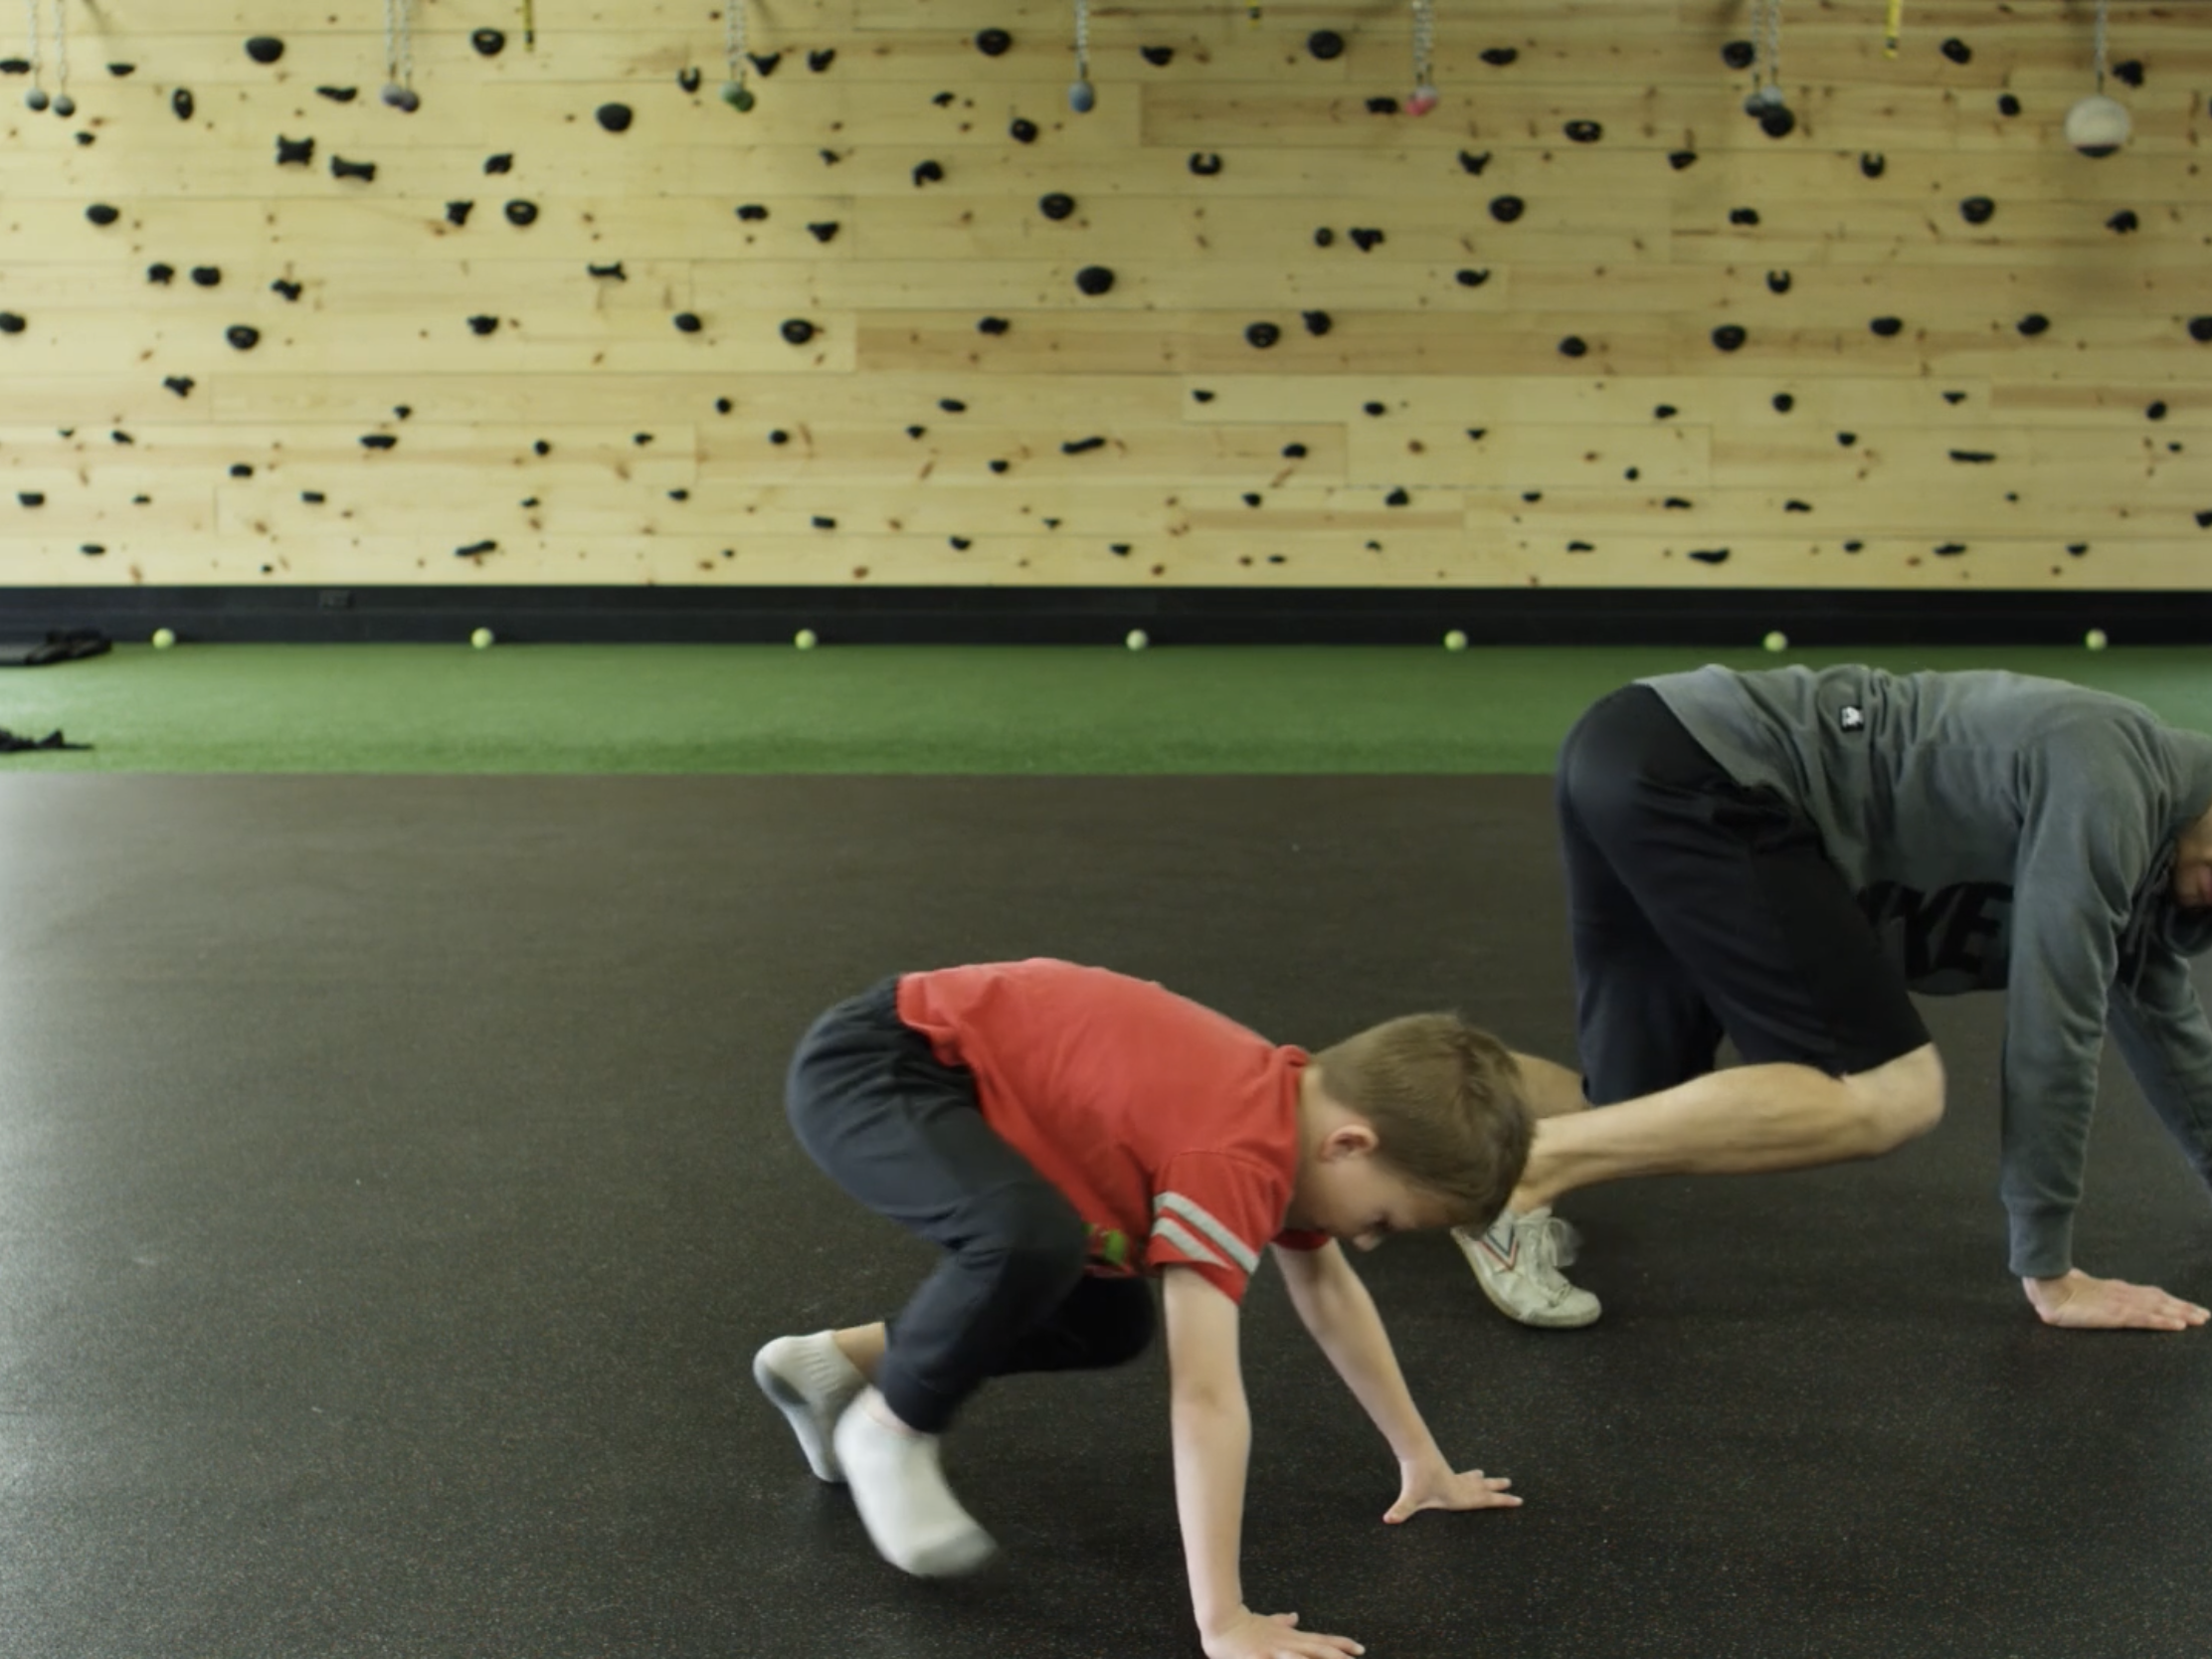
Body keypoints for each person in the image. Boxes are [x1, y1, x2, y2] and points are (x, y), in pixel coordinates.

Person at [753, 958, 1533, 1659]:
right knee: (1031, 1244)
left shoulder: (1293, 1117)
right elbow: (1204, 1397)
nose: (1367, 1242)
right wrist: (1223, 1621)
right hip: (882, 1067)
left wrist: (1420, 1460)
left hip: (958, 1085)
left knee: (1105, 1321)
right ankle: (890, 1428)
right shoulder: (1235, 1153)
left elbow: (1329, 1293)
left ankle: (831, 1367)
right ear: (1351, 1145)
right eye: (1382, 1222)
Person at [1458, 663, 2212, 1336]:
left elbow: (2166, 1023)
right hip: (1704, 769)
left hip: (1634, 745)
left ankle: (1372, 1107)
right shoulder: (2114, 778)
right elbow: (2058, 1025)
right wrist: (2051, 1271)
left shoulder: (2154, 854)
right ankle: (1527, 1173)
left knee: (1637, 1106)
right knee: (1888, 1094)